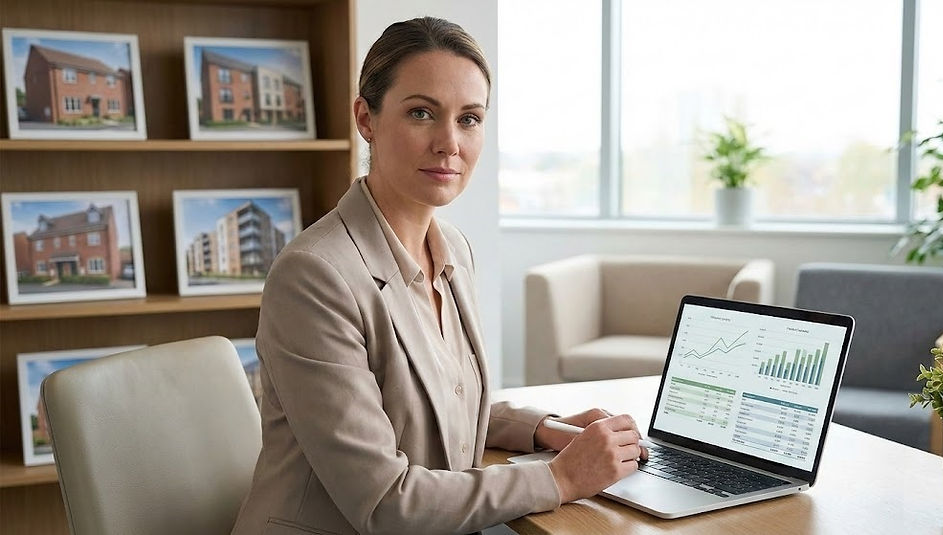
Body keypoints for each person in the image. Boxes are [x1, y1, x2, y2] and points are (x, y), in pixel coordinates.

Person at [231, 17, 646, 535]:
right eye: (422, 113)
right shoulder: (314, 276)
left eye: (469, 119)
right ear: (367, 119)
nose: (449, 143)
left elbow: (433, 401)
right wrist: (561, 479)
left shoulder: (453, 251)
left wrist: (544, 429)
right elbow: (386, 502)